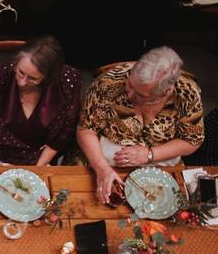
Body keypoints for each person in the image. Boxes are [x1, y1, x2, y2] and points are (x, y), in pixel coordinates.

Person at [77, 46, 204, 204]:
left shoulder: (187, 94)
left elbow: (192, 140)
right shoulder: (108, 82)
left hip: (162, 162)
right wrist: (101, 167)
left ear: (166, 92)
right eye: (129, 84)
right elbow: (86, 130)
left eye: (141, 95)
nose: (129, 94)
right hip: (105, 160)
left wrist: (149, 155)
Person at [0, 37, 82, 166]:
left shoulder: (69, 80)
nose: (22, 82)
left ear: (49, 76)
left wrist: (39, 167)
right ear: (16, 62)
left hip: (41, 159)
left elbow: (66, 131)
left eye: (32, 78)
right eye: (21, 72)